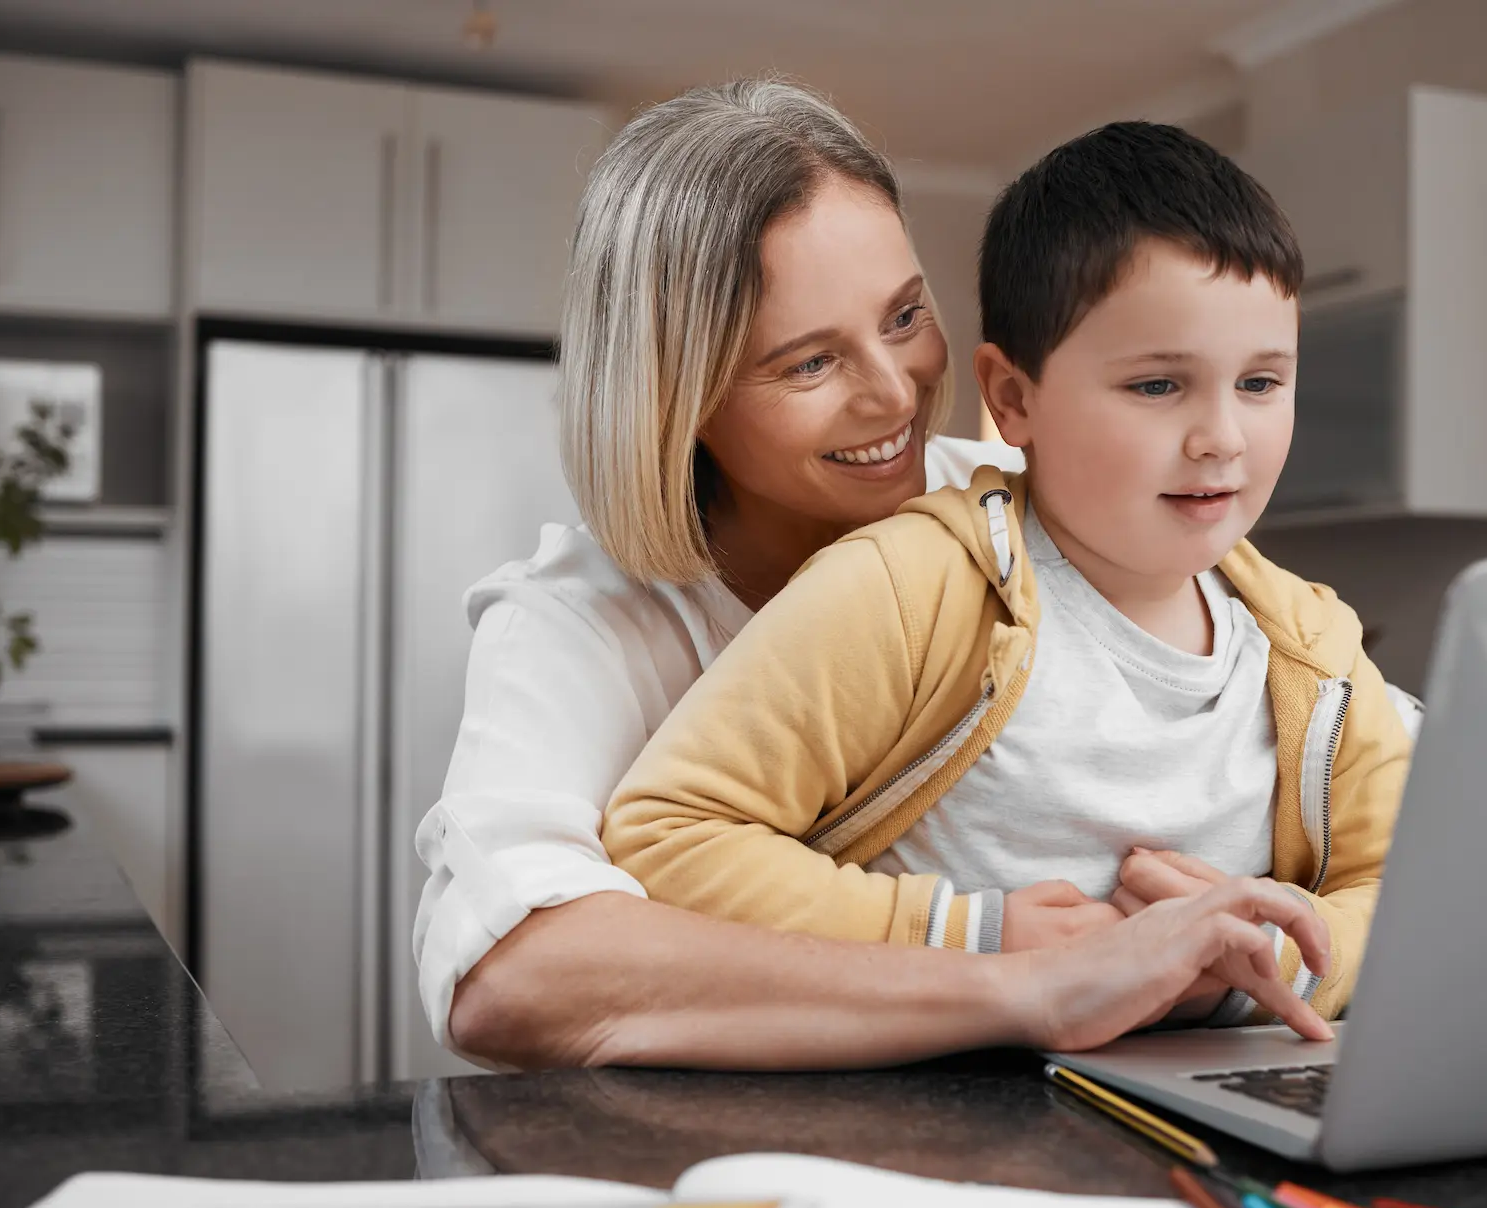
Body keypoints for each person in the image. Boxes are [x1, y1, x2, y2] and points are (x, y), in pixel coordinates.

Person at [416, 82, 1341, 1070]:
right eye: (810, 364)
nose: (896, 393)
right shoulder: (577, 623)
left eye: (904, 316)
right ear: (674, 397)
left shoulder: (1011, 512)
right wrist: (1015, 979)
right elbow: (511, 980)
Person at [601, 121, 1412, 1025]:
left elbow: (1421, 885)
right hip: (942, 1122)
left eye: (1260, 383)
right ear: (1013, 398)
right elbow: (667, 836)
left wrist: (1279, 954)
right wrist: (966, 931)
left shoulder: (1311, 650)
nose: (1221, 436)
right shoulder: (907, 587)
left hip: (1207, 1110)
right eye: (1157, 386)